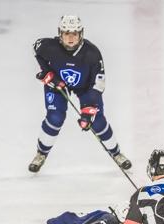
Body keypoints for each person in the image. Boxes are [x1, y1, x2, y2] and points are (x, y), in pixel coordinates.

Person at [29, 15, 131, 173]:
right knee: (55, 117)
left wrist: (89, 108)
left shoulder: (92, 53)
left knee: (97, 120)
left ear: (81, 34)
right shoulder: (49, 46)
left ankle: (116, 153)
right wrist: (48, 73)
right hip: (58, 85)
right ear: (60, 33)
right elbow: (36, 48)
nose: (70, 38)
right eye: (66, 33)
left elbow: (98, 84)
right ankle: (41, 154)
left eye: (74, 34)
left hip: (85, 87)